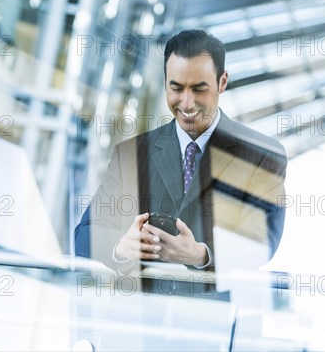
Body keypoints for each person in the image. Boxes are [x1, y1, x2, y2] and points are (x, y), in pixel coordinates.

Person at [75, 30, 287, 278]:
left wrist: (201, 255)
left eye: (199, 89)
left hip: (214, 311)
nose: (186, 103)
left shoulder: (261, 155)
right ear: (165, 82)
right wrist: (121, 246)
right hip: (137, 312)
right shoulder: (131, 153)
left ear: (222, 82)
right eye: (176, 88)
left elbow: (262, 240)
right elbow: (85, 234)